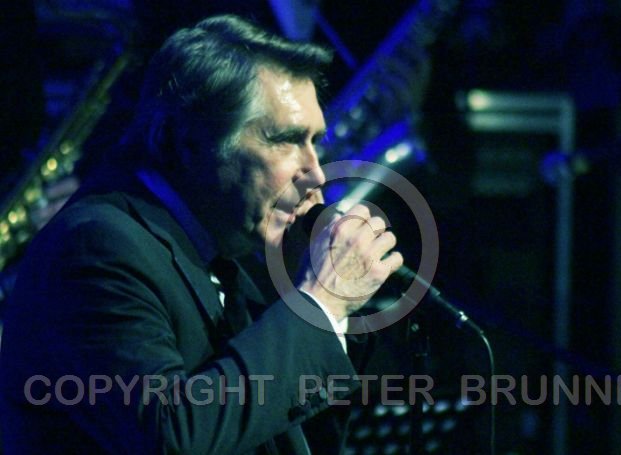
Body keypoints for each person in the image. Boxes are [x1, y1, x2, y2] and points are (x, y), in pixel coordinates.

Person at [0, 14, 403, 454]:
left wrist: (310, 301)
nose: (316, 173)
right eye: (285, 140)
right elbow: (170, 437)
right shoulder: (95, 247)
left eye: (315, 141)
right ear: (188, 142)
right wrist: (320, 302)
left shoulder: (216, 256)